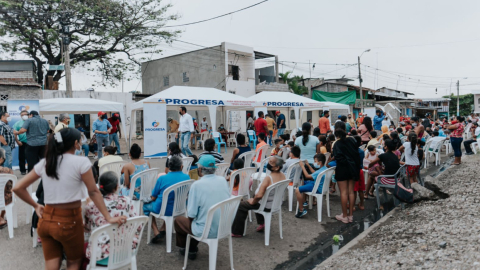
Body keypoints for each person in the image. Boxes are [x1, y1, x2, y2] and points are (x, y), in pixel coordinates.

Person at [12, 128, 126, 270]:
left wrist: (35, 205)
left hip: (46, 220)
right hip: (69, 221)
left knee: (51, 266)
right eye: (80, 141)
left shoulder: (47, 162)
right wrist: (108, 217)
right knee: (73, 263)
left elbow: (17, 188)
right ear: (75, 143)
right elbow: (93, 192)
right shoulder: (81, 162)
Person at [174, 155, 230, 260]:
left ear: (200, 169)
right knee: (198, 220)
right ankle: (191, 247)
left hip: (206, 230)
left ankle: (188, 249)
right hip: (224, 226)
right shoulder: (223, 180)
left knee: (179, 221)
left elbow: (191, 214)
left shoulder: (197, 185)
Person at [83, 171, 138, 267]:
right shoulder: (127, 201)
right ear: (116, 186)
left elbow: (86, 229)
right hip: (125, 253)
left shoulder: (91, 206)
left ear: (99, 186)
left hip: (100, 256)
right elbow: (138, 225)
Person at [231, 156, 286, 236]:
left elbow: (259, 196)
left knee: (241, 206)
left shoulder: (268, 178)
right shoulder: (283, 175)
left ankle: (237, 232)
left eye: (271, 163)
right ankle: (262, 222)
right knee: (254, 195)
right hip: (275, 203)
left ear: (277, 167)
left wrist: (253, 201)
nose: (268, 164)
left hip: (265, 205)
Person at [143, 156, 190, 243]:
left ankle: (156, 231)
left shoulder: (162, 178)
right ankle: (163, 228)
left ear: (169, 167)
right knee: (169, 202)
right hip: (180, 208)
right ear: (181, 167)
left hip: (163, 209)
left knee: (146, 206)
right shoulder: (187, 177)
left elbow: (153, 197)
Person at [332, 122, 360, 223]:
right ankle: (350, 216)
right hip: (353, 169)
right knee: (351, 192)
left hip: (342, 169)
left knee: (343, 193)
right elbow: (357, 154)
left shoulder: (337, 144)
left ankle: (344, 216)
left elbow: (337, 158)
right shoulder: (352, 140)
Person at [295, 154, 328, 218]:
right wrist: (308, 165)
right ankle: (304, 201)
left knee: (297, 190)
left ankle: (301, 210)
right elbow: (314, 173)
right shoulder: (324, 168)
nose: (314, 163)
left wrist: (302, 166)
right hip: (320, 186)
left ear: (320, 162)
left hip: (317, 188)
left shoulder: (319, 172)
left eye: (315, 161)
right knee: (304, 182)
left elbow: (307, 176)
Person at [0, 148, 13, 229]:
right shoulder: (8, 171)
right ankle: (1, 217)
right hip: (5, 199)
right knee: (8, 193)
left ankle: (0, 218)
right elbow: (11, 185)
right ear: (1, 159)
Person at [13, 110, 29, 175]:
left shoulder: (31, 122)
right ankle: (23, 170)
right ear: (20, 116)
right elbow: (14, 133)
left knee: (31, 157)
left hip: (32, 142)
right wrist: (17, 141)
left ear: (28, 115)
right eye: (22, 115)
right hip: (22, 142)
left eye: (25, 114)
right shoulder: (18, 123)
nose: (24, 116)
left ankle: (32, 170)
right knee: (22, 157)